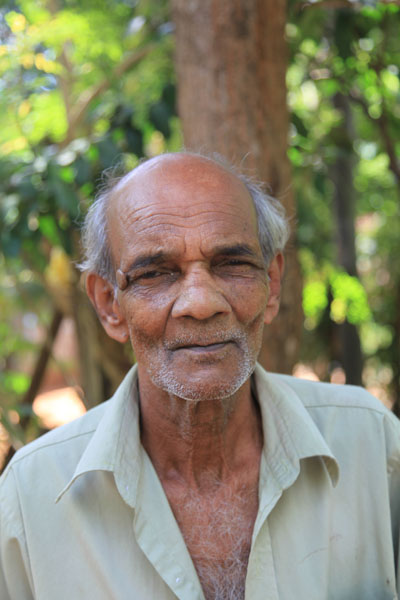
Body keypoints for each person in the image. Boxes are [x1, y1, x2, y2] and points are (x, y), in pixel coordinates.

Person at [1, 152, 400, 600]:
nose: (201, 302)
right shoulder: (30, 498)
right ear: (109, 304)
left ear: (271, 284)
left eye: (232, 264)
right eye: (156, 273)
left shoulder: (374, 447)